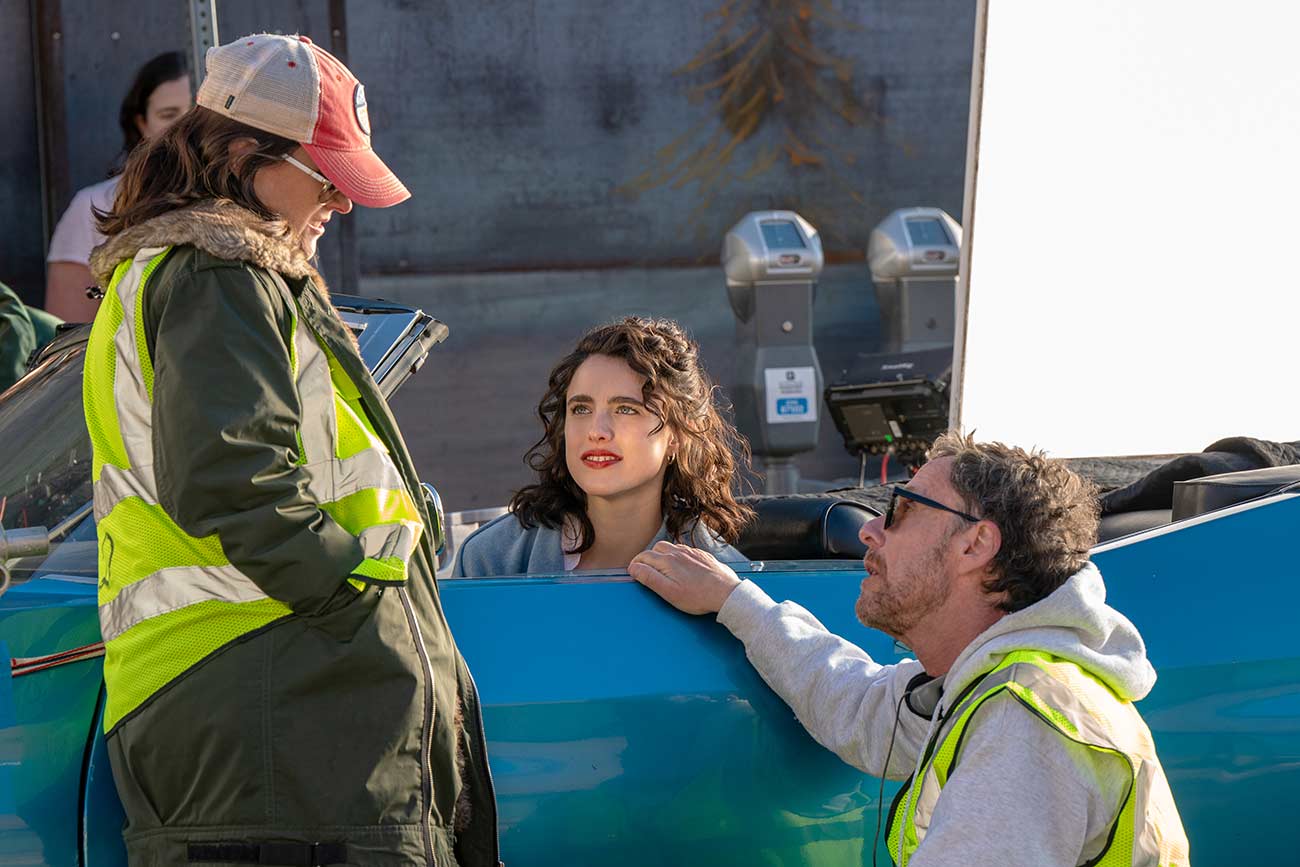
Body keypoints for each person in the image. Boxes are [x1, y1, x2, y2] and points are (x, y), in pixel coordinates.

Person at [83, 34, 497, 866]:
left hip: (259, 707)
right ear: (242, 153)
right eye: (326, 175)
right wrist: (357, 610)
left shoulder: (183, 269)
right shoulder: (218, 270)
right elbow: (236, 481)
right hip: (279, 707)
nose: (341, 203)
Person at [629, 432, 1189, 866]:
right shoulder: (996, 687)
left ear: (975, 543)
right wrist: (736, 601)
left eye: (900, 511)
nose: (871, 531)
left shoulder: (1029, 721)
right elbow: (863, 707)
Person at [454, 317, 752, 576]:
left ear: (678, 435)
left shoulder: (725, 578)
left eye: (626, 409)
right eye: (581, 409)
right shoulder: (490, 559)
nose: (596, 432)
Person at [46, 51, 190, 322]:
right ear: (141, 122)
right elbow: (66, 338)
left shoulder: (242, 198)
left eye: (197, 112)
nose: (184, 127)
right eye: (168, 114)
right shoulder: (94, 205)